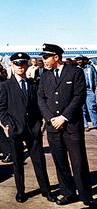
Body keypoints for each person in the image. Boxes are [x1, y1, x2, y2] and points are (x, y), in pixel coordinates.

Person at [38, 43, 97, 207]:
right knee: (60, 162)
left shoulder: (75, 72)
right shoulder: (45, 76)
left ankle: (86, 195)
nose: (44, 60)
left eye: (46, 57)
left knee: (78, 161)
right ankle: (68, 193)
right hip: (53, 127)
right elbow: (41, 99)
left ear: (56, 57)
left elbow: (79, 96)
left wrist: (64, 117)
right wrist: (51, 118)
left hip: (71, 126)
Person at [0, 52, 56, 203]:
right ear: (12, 65)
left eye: (23, 64)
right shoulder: (5, 86)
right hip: (15, 129)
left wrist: (40, 123)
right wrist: (8, 124)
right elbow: (1, 108)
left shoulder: (33, 84)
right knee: (17, 162)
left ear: (27, 65)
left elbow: (39, 106)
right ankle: (21, 191)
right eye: (17, 64)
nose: (20, 67)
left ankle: (46, 190)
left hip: (32, 129)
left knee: (39, 161)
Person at [75, 55, 97, 131]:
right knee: (82, 108)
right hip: (80, 90)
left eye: (80, 60)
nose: (79, 61)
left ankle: (95, 124)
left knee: (92, 107)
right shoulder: (76, 69)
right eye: (77, 60)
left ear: (84, 60)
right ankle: (85, 125)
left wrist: (95, 86)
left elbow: (95, 77)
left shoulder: (90, 68)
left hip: (89, 90)